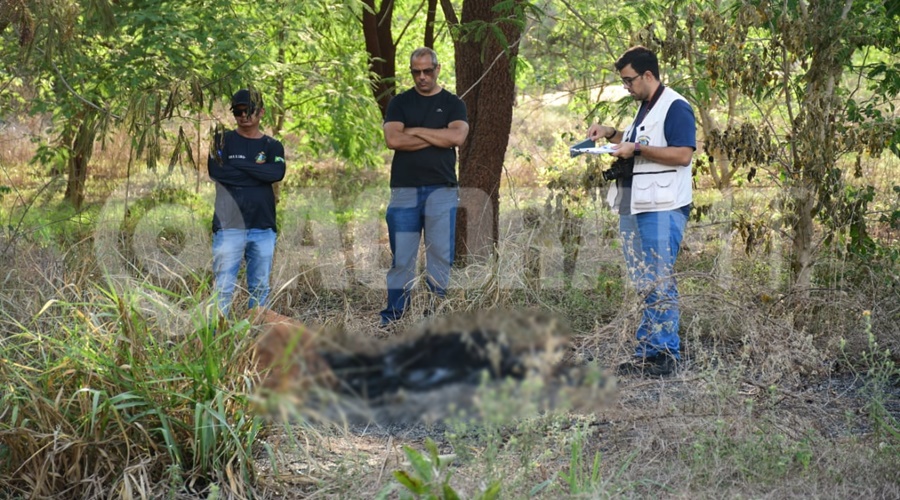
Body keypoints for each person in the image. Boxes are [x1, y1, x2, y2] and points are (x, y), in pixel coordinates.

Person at [587, 46, 696, 376]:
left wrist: (636, 148)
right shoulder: (646, 106)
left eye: (629, 80)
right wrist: (610, 134)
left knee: (659, 279)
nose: (627, 87)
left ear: (648, 75)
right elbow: (638, 142)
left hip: (663, 206)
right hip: (637, 203)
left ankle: (665, 353)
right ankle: (649, 351)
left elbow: (682, 155)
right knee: (644, 280)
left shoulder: (675, 106)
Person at [379, 47, 469, 326]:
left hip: (442, 190)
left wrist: (414, 130)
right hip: (404, 190)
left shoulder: (453, 103)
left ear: (437, 69)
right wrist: (437, 136)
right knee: (402, 258)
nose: (422, 77)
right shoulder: (400, 103)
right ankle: (394, 317)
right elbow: (394, 140)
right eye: (416, 72)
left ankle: (437, 316)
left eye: (427, 71)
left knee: (440, 256)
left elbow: (457, 136)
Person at [208, 88, 286, 316]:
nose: (243, 116)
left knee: (260, 289)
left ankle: (257, 341)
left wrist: (238, 166)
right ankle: (217, 343)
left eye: (248, 110)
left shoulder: (273, 146)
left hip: (262, 227)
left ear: (261, 112)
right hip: (228, 227)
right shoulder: (222, 141)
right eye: (238, 111)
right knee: (222, 289)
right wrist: (258, 173)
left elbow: (276, 173)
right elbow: (217, 173)